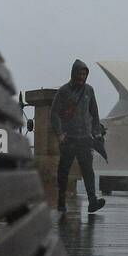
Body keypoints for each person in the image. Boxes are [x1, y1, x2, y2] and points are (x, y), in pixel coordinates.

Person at [50, 59, 106, 213]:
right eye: (80, 73)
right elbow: (54, 113)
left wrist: (96, 133)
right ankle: (61, 201)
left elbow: (94, 114)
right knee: (64, 170)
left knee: (88, 170)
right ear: (74, 73)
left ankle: (92, 201)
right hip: (69, 138)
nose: (82, 76)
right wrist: (60, 133)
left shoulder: (89, 91)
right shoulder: (63, 91)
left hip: (84, 138)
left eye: (84, 73)